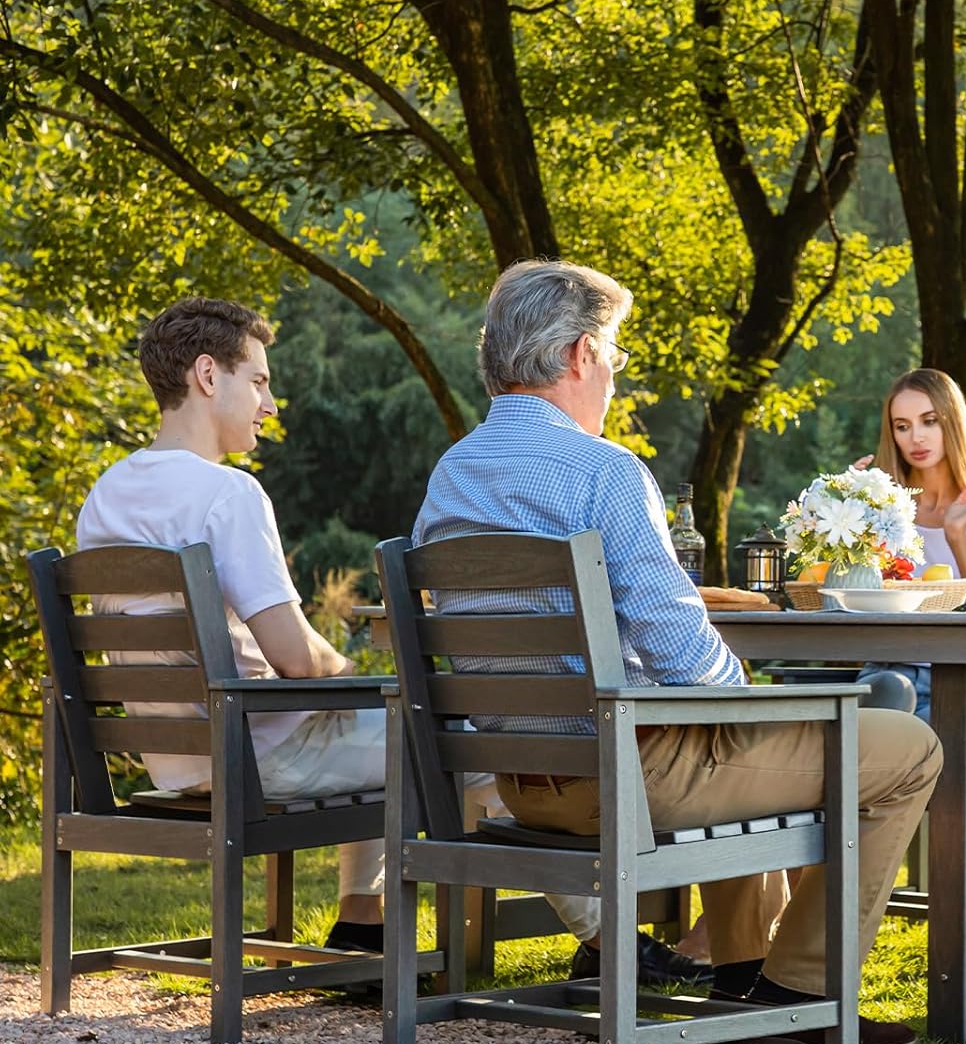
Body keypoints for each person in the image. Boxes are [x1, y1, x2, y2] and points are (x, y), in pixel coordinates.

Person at [412, 258, 943, 1044]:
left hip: (521, 787)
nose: (614, 379)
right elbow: (686, 660)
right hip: (621, 782)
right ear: (579, 355)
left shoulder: (450, 475)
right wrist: (754, 696)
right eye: (615, 357)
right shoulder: (607, 474)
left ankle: (741, 973)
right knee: (906, 746)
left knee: (730, 730)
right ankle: (799, 991)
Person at [74, 297, 672, 979]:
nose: (270, 404)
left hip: (173, 757)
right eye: (261, 381)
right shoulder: (227, 494)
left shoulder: (108, 493)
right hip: (257, 756)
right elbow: (297, 658)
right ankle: (611, 946)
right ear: (208, 376)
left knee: (377, 719)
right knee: (463, 742)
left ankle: (362, 922)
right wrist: (354, 670)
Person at [853, 368, 966, 769]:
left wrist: (957, 537)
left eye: (930, 421)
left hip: (962, 691)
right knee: (888, 698)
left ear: (952, 421)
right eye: (903, 426)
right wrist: (849, 515)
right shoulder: (879, 509)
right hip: (885, 675)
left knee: (898, 744)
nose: (917, 437)